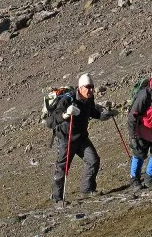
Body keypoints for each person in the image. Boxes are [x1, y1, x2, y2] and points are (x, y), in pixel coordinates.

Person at [49, 73, 113, 206]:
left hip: (81, 137)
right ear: (80, 87)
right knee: (62, 168)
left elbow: (92, 112)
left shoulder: (89, 99)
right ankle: (57, 199)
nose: (91, 90)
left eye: (92, 87)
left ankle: (87, 189)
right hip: (66, 139)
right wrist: (66, 114)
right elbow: (51, 121)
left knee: (93, 160)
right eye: (88, 87)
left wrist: (104, 116)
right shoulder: (68, 100)